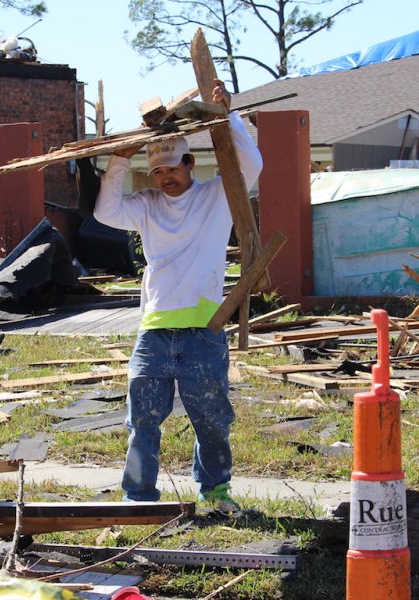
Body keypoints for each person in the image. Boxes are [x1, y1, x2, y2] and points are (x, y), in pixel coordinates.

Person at [93, 79, 263, 511]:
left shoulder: (216, 197)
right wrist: (119, 158)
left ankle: (216, 492)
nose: (166, 178)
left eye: (173, 169)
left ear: (190, 163)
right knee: (143, 422)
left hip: (204, 329)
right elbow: (105, 212)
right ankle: (139, 498)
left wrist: (230, 118)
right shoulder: (147, 205)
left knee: (211, 420)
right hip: (154, 332)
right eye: (158, 172)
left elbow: (251, 166)